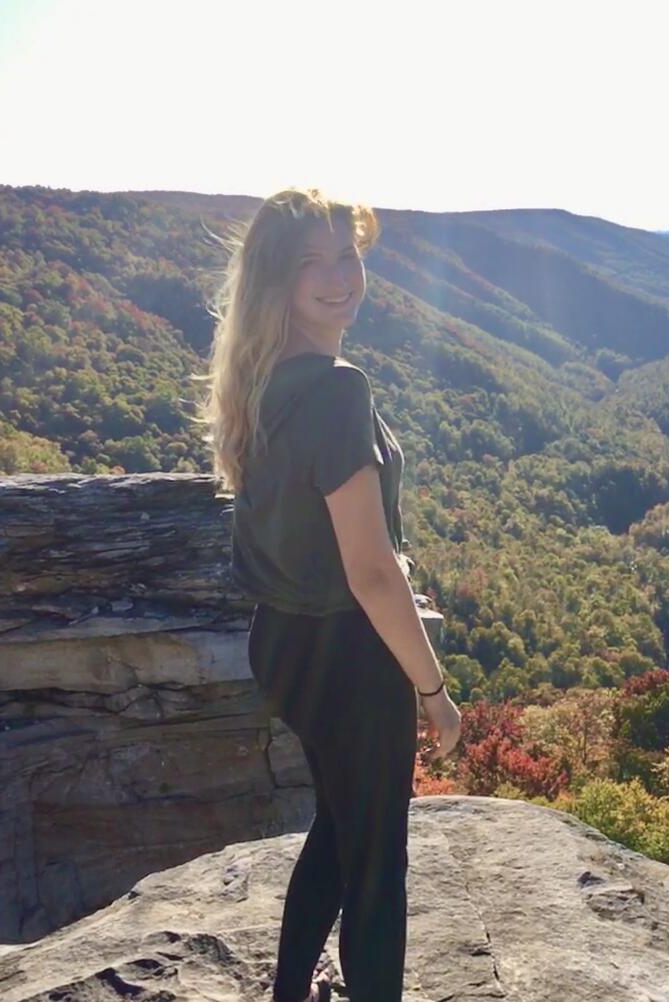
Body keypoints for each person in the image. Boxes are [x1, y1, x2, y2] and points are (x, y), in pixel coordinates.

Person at [199, 187, 462, 1002]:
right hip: (348, 654)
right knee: (378, 861)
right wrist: (435, 691)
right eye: (311, 262)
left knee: (341, 822)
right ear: (276, 281)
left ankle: (288, 990)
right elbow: (373, 572)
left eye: (347, 255)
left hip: (282, 644)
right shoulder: (338, 389)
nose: (338, 276)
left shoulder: (261, 377)